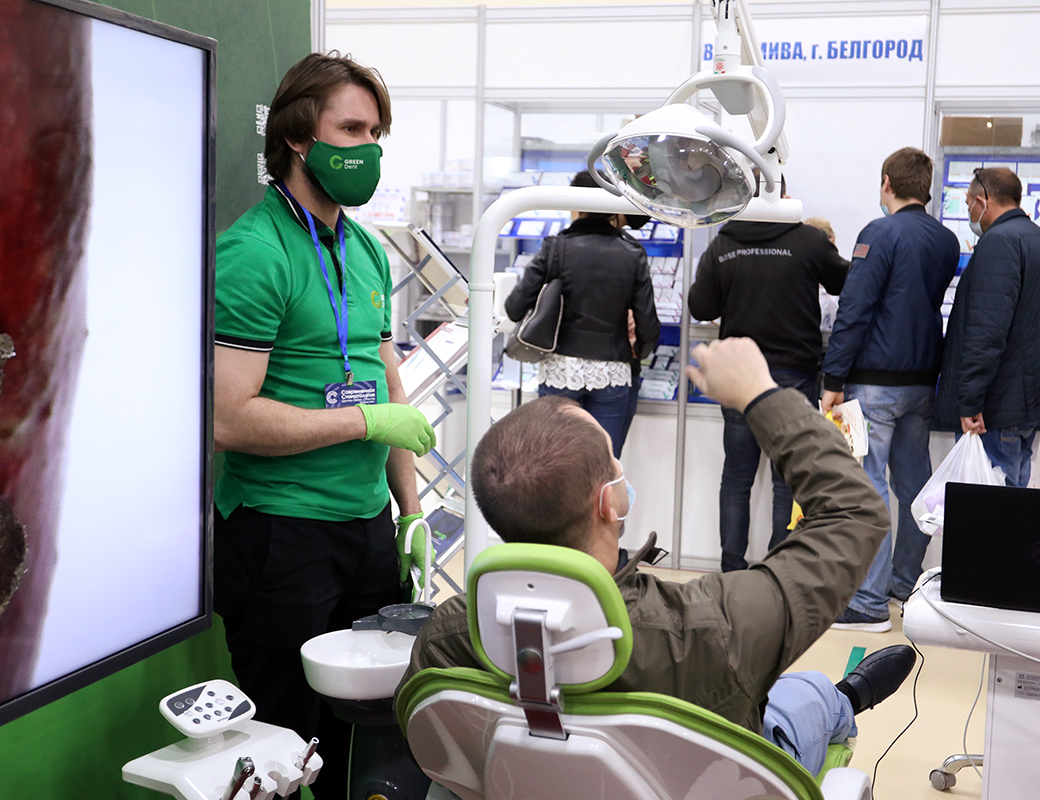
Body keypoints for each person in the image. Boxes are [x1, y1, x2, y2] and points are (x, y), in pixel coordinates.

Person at [400, 337, 916, 778]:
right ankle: (847, 698)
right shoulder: (713, 627)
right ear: (610, 501)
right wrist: (762, 395)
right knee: (805, 695)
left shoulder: (446, 636)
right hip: (706, 780)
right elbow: (854, 513)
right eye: (613, 458)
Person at [212, 52, 436, 797]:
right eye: (352, 129)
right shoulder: (254, 253)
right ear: (298, 136)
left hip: (366, 532)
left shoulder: (366, 250)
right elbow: (230, 419)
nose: (368, 148)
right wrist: (363, 420)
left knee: (365, 735)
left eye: (376, 133)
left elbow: (386, 383)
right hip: (281, 536)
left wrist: (410, 510)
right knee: (283, 745)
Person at [819, 148, 961, 633]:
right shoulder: (945, 240)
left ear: (886, 183)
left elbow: (854, 309)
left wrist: (832, 380)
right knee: (915, 487)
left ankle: (867, 602)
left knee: (868, 487)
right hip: (921, 383)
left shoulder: (879, 234)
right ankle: (903, 583)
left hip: (874, 384)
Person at [689, 176, 849, 572]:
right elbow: (845, 281)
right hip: (794, 375)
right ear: (784, 196)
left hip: (739, 377)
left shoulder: (723, 244)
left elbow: (701, 306)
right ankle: (779, 570)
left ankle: (731, 569)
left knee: (737, 476)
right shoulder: (809, 241)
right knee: (786, 478)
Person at [933, 167, 1040, 486]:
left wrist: (970, 400)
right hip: (1029, 404)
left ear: (982, 201)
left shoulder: (998, 242)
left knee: (989, 508)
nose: (970, 213)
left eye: (969, 204)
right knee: (1013, 504)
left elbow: (987, 330)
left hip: (997, 408)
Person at [505, 171, 659, 458]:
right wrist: (639, 351)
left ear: (576, 206)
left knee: (555, 464)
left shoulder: (555, 248)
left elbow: (514, 307)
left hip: (560, 369)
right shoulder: (633, 253)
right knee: (604, 464)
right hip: (613, 371)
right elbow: (649, 327)